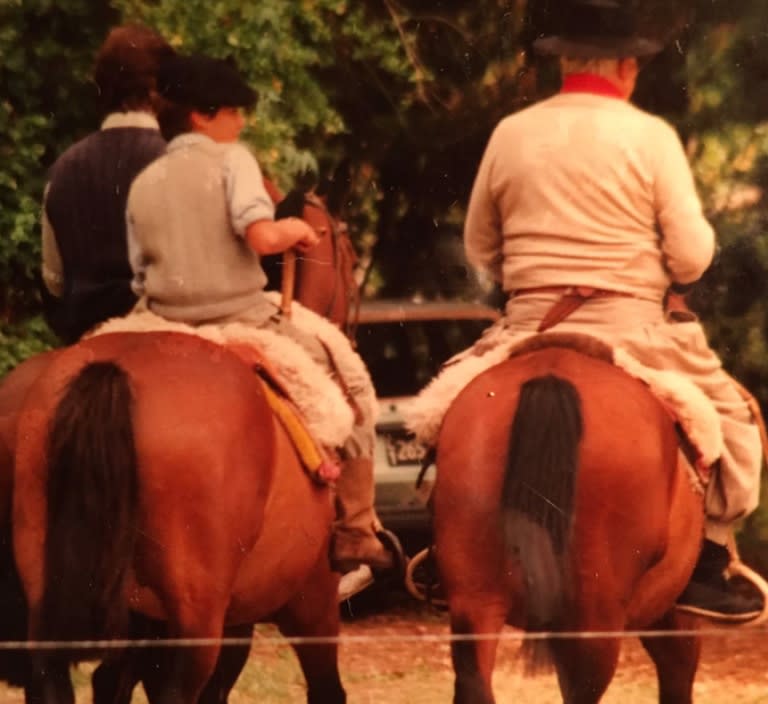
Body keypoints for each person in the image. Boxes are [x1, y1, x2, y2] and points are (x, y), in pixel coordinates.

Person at [436, 0, 763, 620]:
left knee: (441, 417)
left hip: (529, 325)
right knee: (734, 424)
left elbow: (480, 247)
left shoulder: (512, 133)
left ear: (564, 66)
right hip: (631, 329)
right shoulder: (651, 137)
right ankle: (708, 563)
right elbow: (692, 255)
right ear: (626, 68)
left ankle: (443, 553)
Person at [125, 53, 395, 580]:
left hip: (158, 321)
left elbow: (138, 273)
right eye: (234, 111)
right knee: (351, 383)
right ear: (204, 116)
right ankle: (357, 528)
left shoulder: (145, 180)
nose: (241, 122)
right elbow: (261, 236)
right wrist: (294, 231)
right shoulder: (234, 161)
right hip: (240, 316)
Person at [41, 24, 175, 344]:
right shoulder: (179, 163)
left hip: (84, 335)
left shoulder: (63, 169)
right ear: (159, 91)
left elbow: (54, 281)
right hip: (162, 332)